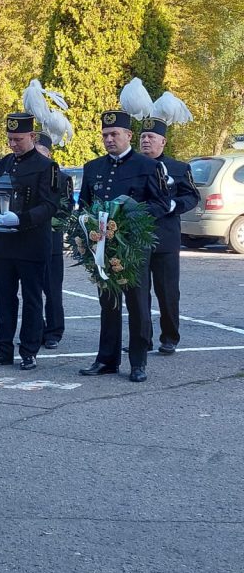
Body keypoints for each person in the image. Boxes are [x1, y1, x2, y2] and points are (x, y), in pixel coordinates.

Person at [78, 110, 169, 382]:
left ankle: (138, 362)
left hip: (132, 248)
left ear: (128, 135)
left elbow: (162, 204)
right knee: (108, 304)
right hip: (104, 248)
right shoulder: (93, 167)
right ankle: (107, 359)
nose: (109, 139)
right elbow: (84, 206)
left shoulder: (148, 166)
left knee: (138, 305)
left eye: (114, 134)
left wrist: (130, 215)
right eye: (105, 135)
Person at [0, 114, 59, 371]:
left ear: (32, 137)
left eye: (18, 139)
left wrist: (21, 219)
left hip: (32, 243)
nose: (13, 144)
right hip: (5, 243)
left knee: (32, 299)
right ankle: (2, 348)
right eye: (10, 139)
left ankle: (29, 350)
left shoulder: (46, 166)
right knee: (4, 298)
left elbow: (50, 205)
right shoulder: (4, 163)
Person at [138, 117, 200, 354]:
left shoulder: (179, 168)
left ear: (162, 141)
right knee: (138, 293)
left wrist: (174, 205)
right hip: (137, 239)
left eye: (151, 137)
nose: (146, 140)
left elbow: (192, 196)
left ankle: (170, 337)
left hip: (165, 238)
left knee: (167, 291)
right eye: (143, 136)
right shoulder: (132, 166)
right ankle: (142, 339)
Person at [35, 134, 75, 350]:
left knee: (52, 290)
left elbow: (66, 209)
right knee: (32, 291)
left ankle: (54, 331)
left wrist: (41, 218)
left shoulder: (62, 178)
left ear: (49, 154)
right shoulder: (26, 174)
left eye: (40, 153)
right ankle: (36, 329)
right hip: (28, 242)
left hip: (51, 241)